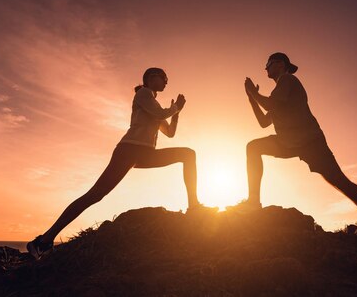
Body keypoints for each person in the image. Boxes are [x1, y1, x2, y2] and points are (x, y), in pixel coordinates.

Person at [27, 67, 216, 259]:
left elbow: (170, 133)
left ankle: (194, 206)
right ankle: (43, 241)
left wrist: (176, 113)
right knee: (95, 194)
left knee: (188, 154)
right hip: (129, 150)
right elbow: (160, 115)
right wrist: (174, 109)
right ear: (151, 78)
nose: (167, 82)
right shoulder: (143, 94)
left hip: (145, 154)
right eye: (164, 78)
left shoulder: (153, 104)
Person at [229, 52, 357, 225]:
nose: (265, 67)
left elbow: (268, 104)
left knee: (341, 183)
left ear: (281, 64)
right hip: (288, 143)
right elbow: (263, 122)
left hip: (311, 143)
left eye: (269, 63)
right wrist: (251, 98)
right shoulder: (278, 93)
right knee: (253, 147)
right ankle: (253, 202)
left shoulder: (288, 80)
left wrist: (253, 92)